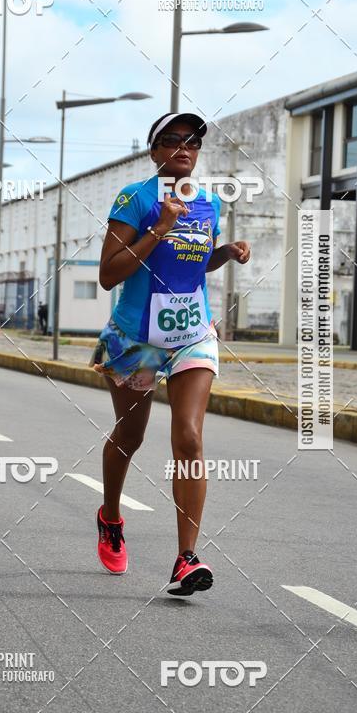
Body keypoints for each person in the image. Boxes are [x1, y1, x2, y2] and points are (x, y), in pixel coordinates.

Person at [91, 112, 251, 596]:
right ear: (155, 151)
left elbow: (193, 266)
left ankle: (187, 558)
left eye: (193, 141)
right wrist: (159, 227)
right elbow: (109, 274)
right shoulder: (135, 199)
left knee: (190, 437)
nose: (184, 147)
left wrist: (226, 252)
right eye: (172, 140)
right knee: (130, 435)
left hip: (191, 333)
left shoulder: (208, 203)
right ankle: (111, 516)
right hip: (135, 338)